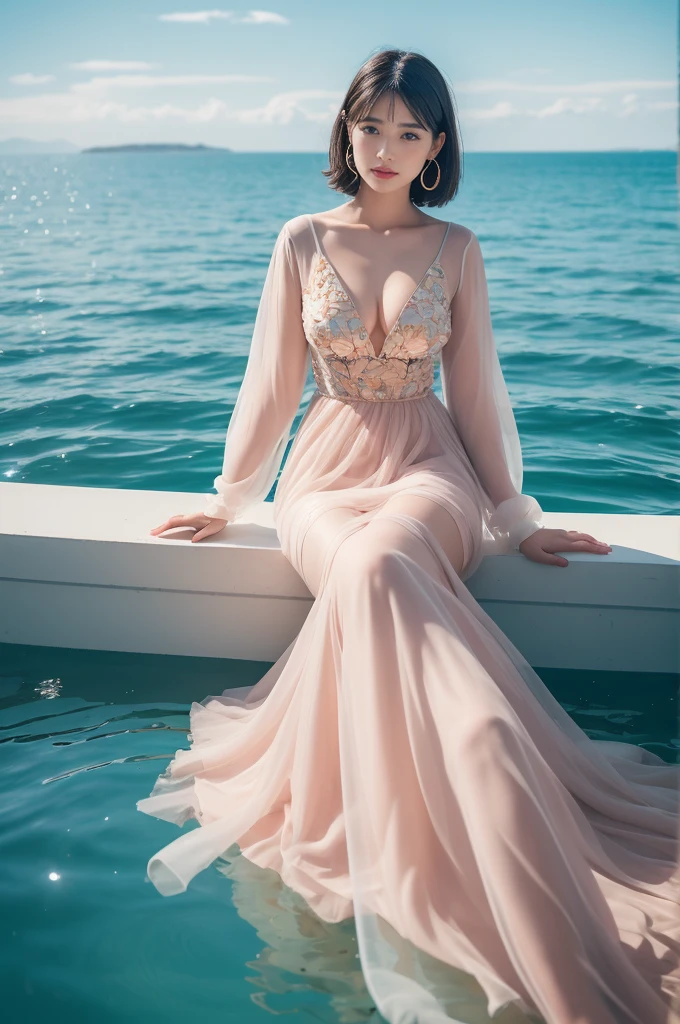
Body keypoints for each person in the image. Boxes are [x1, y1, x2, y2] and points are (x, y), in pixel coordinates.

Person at [138, 49, 680, 1024]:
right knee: (357, 560)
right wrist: (229, 497)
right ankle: (476, 761)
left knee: (385, 557)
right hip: (321, 475)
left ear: (437, 147)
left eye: (409, 131)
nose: (386, 148)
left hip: (432, 471)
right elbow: (269, 388)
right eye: (371, 126)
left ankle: (478, 768)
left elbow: (476, 396)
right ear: (345, 132)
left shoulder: (456, 247)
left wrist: (515, 517)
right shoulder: (300, 238)